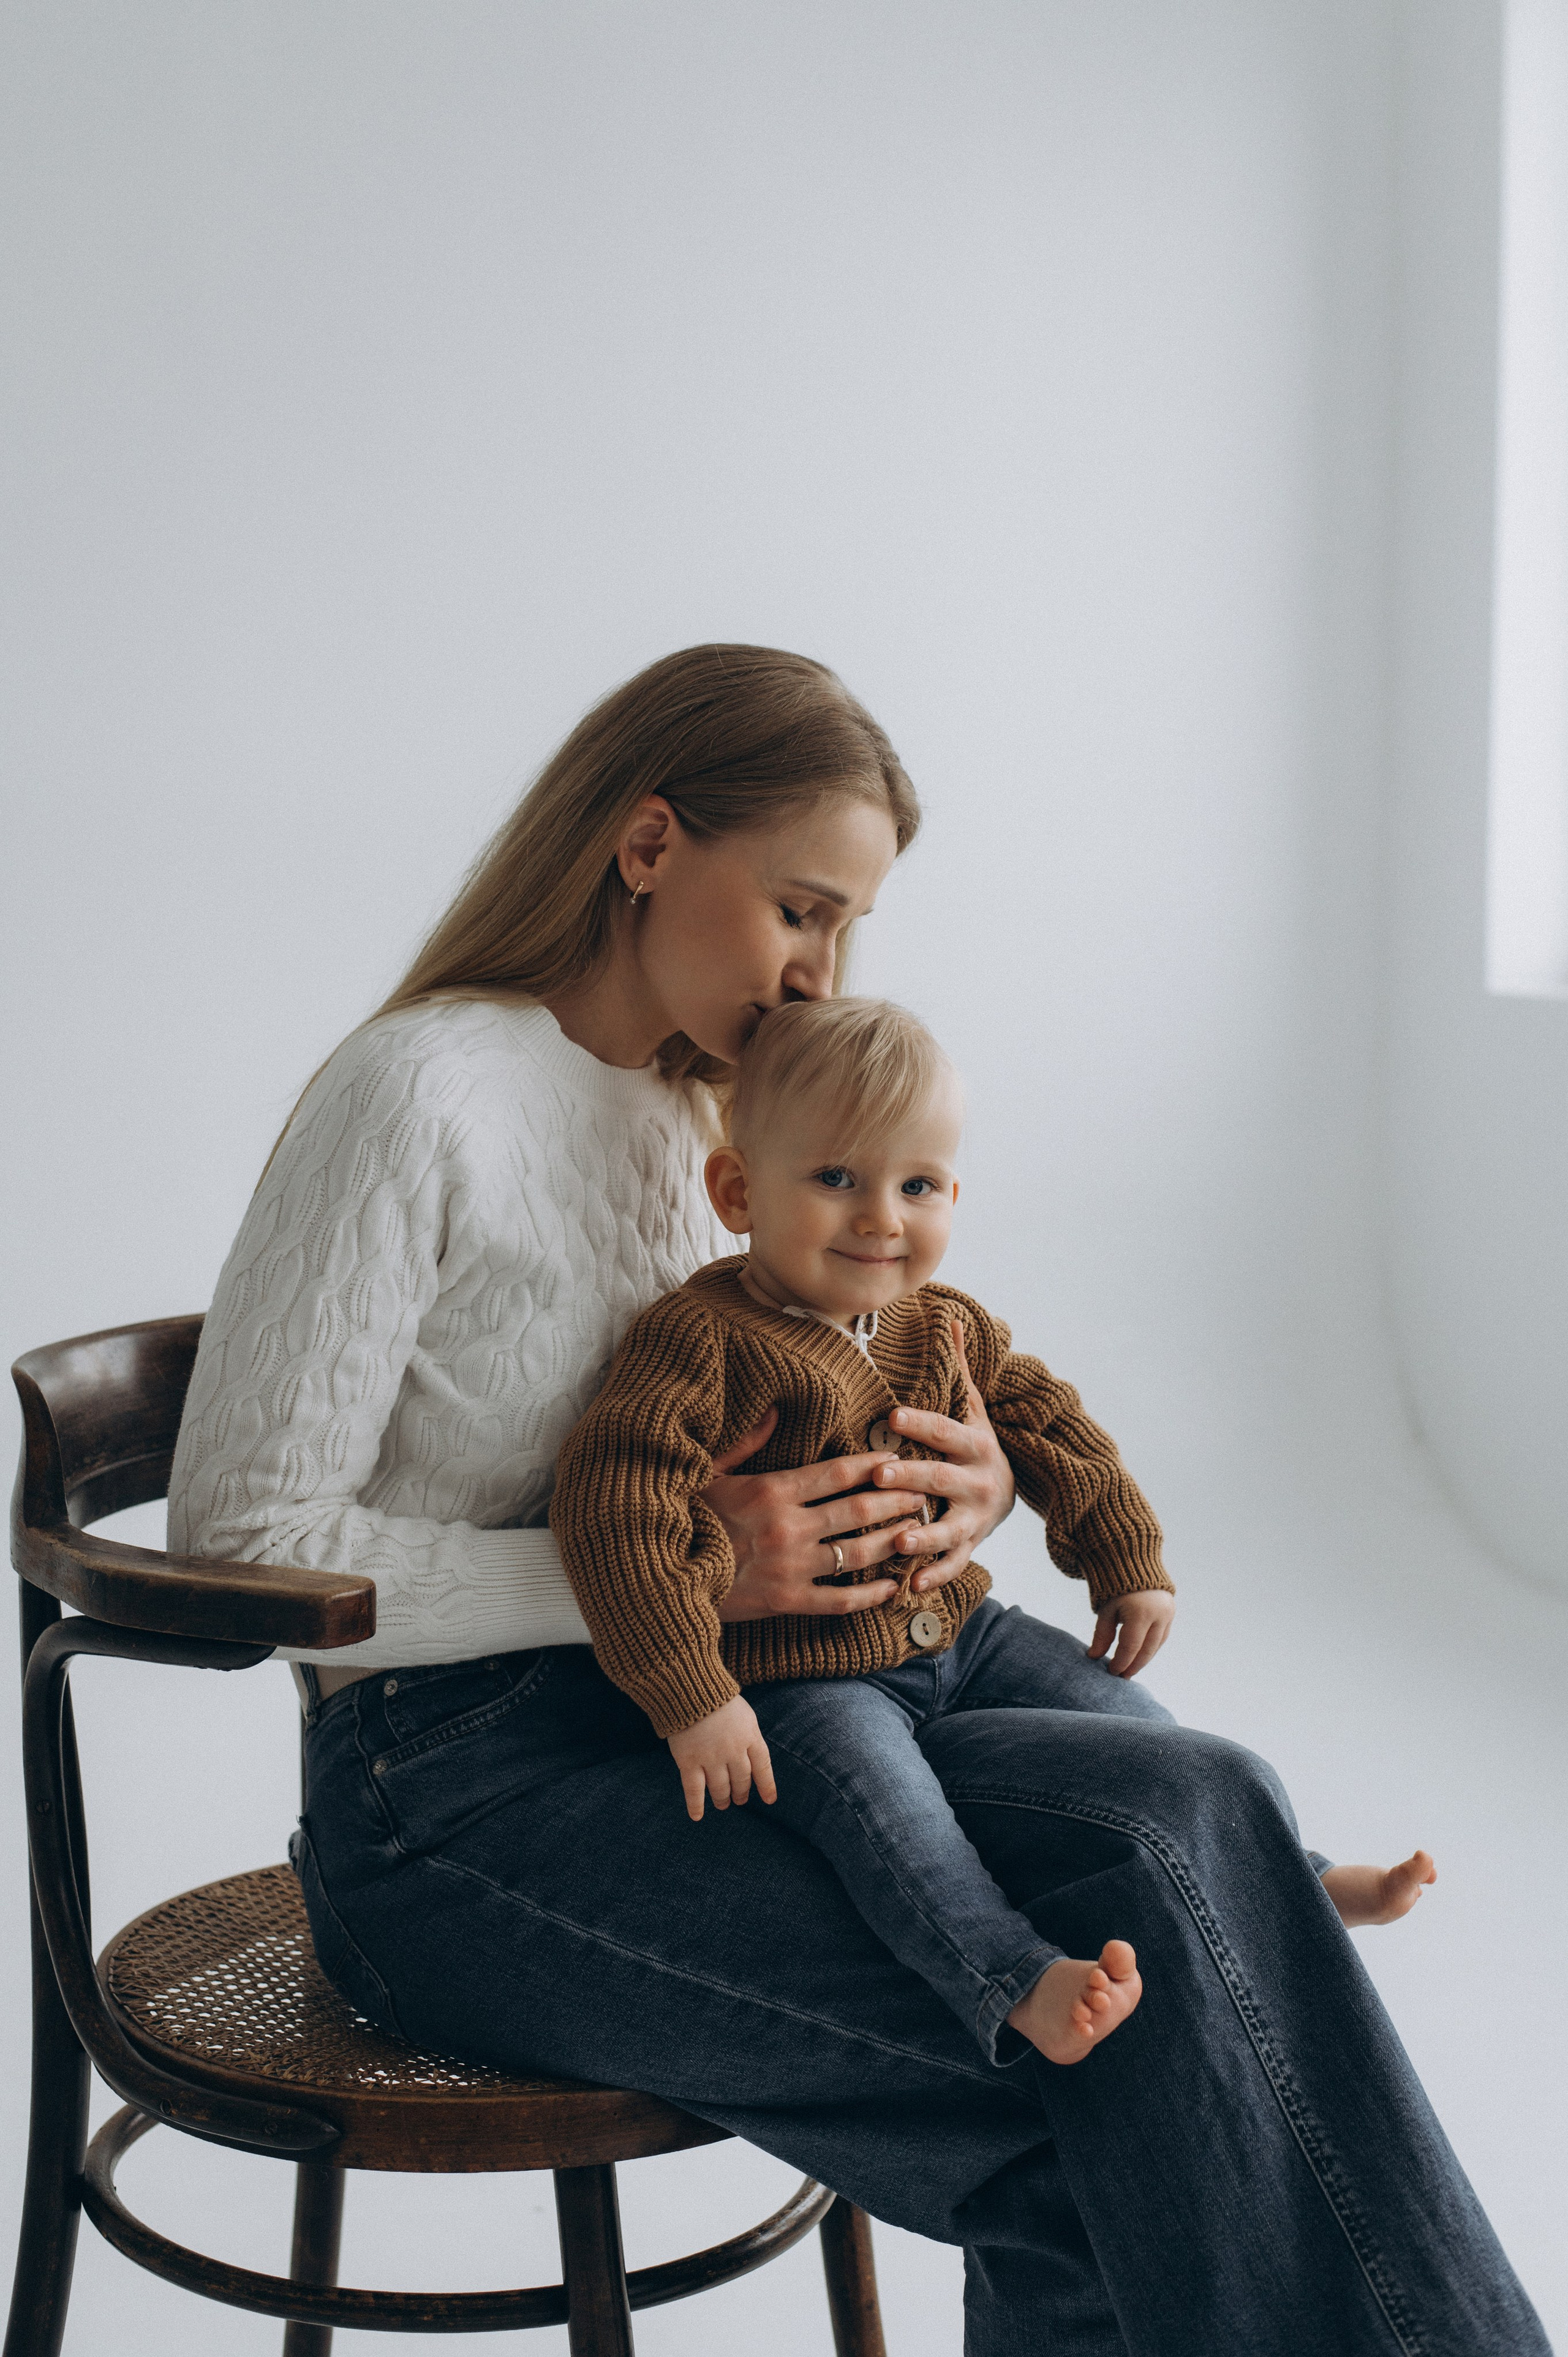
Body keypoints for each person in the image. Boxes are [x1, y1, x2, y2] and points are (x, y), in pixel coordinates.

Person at [167, 644, 1548, 2356]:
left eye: (849, 931)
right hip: (451, 1805)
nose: (821, 974)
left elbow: (810, 1376)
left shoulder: (713, 1112)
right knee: (1110, 2092)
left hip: (778, 1702)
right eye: (801, 910)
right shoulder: (420, 1096)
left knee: (1189, 1805)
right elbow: (237, 1551)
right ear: (649, 843)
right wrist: (674, 1581)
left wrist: (948, 1480)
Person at [550, 994, 1440, 2069]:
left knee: (1140, 1728)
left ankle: (1291, 1875)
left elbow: (1046, 1423)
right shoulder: (703, 1341)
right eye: (836, 1179)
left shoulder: (945, 1324)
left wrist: (1123, 1556)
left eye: (916, 1185)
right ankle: (1012, 1980)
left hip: (965, 1639)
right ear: (739, 1190)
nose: (882, 1217)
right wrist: (692, 1695)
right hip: (805, 1682)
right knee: (892, 1820)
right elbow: (616, 1508)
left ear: (953, 1193)